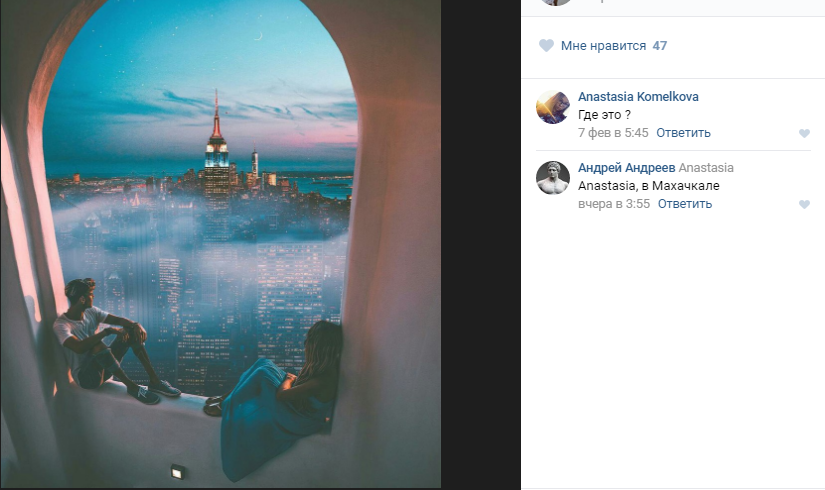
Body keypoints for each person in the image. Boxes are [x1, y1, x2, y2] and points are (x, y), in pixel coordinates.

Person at [204, 321, 343, 482]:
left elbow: (282, 395)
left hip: (299, 420)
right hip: (298, 410)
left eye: (310, 340)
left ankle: (225, 405)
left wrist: (289, 379)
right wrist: (290, 380)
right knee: (263, 363)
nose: (306, 343)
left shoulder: (324, 380)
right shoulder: (325, 370)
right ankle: (225, 398)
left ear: (319, 347)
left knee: (263, 373)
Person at [52, 278, 181, 404]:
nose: (93, 297)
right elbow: (78, 347)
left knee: (130, 331)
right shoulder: (61, 325)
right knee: (97, 345)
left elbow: (118, 320)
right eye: (90, 294)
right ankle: (132, 387)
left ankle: (155, 382)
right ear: (82, 299)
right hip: (87, 379)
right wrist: (106, 332)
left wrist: (134, 325)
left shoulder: (91, 312)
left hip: (105, 368)